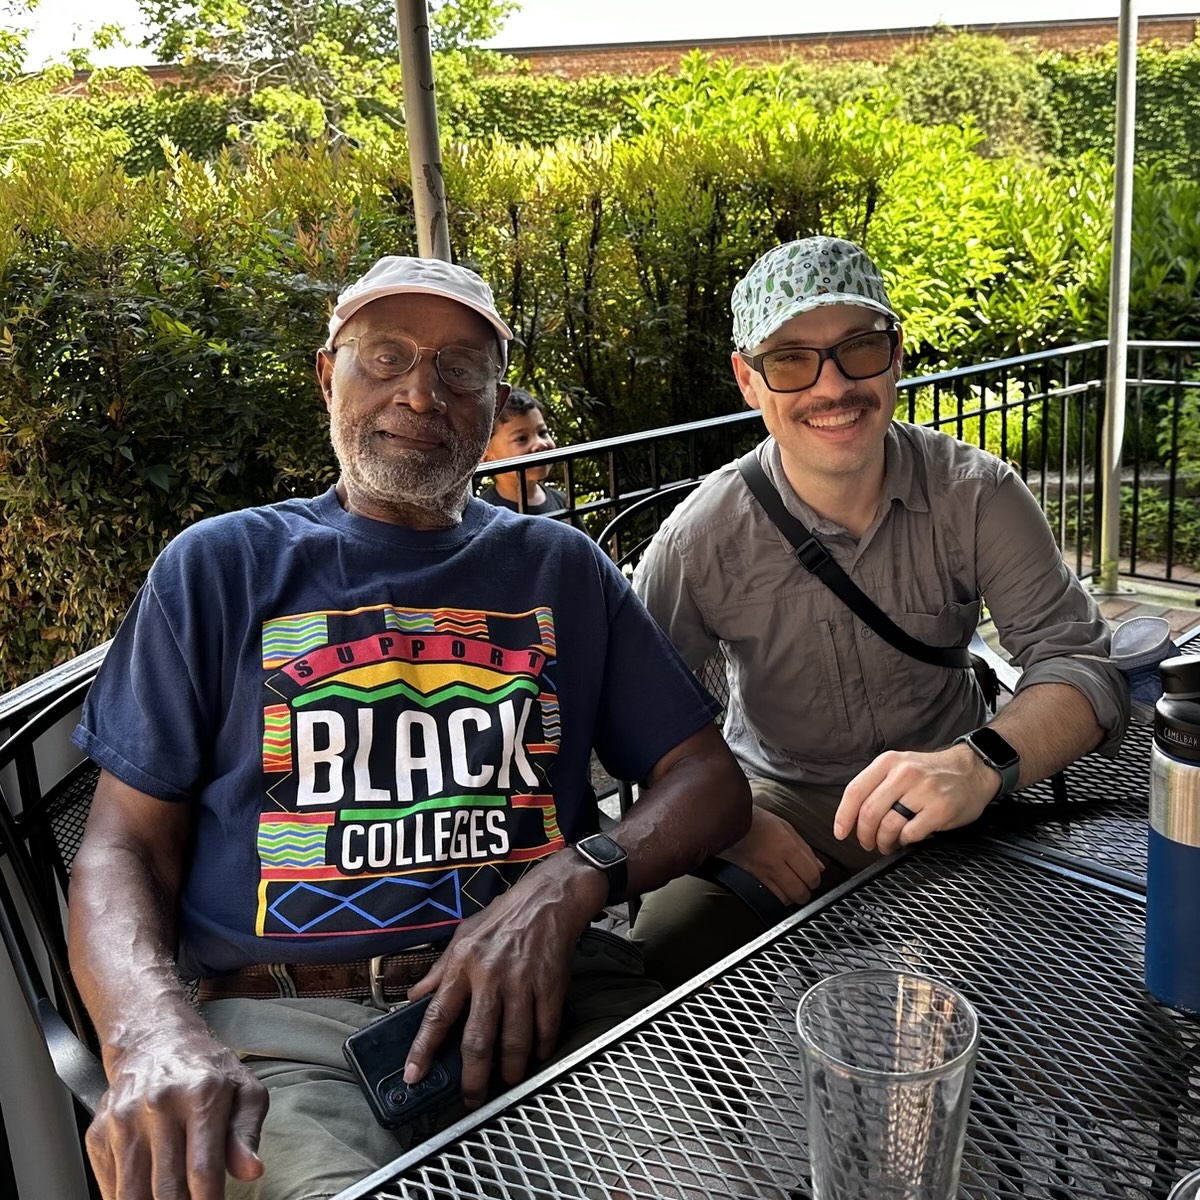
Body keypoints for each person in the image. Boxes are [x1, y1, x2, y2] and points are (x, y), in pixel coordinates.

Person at [67, 255, 751, 1200]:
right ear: (327, 375)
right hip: (292, 1038)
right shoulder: (220, 568)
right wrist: (147, 1031)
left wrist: (566, 884)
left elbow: (709, 782)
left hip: (551, 1001)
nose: (421, 393)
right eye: (384, 356)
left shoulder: (560, 567)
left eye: (461, 367)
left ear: (494, 398)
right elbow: (119, 848)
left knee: (705, 1179)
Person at [630, 235, 1129, 990]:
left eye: (857, 348)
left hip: (956, 792)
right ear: (748, 380)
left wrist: (980, 763)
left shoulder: (977, 495)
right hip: (779, 803)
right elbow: (644, 725)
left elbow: (1083, 667)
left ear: (896, 355)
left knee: (1087, 990)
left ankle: (984, 1102)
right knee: (666, 951)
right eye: (792, 359)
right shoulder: (700, 539)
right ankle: (728, 1112)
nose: (832, 386)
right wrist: (729, 823)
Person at [477, 386, 569, 515]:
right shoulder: (484, 515)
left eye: (542, 432)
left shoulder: (563, 501)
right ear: (484, 454)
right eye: (521, 438)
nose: (540, 443)